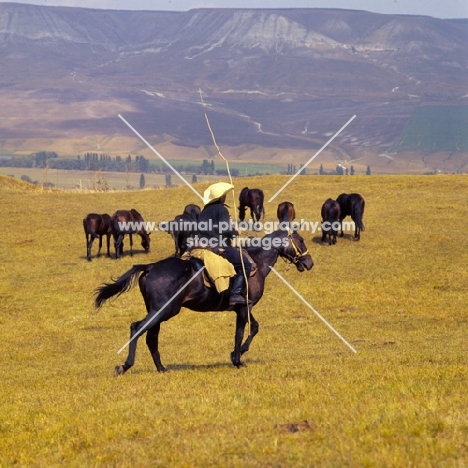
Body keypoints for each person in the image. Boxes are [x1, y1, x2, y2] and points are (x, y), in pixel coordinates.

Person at [197, 182, 252, 306]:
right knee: (246, 265)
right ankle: (236, 294)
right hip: (219, 246)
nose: (226, 196)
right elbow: (225, 229)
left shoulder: (205, 209)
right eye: (225, 194)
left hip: (203, 245)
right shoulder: (221, 209)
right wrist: (235, 231)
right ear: (221, 196)